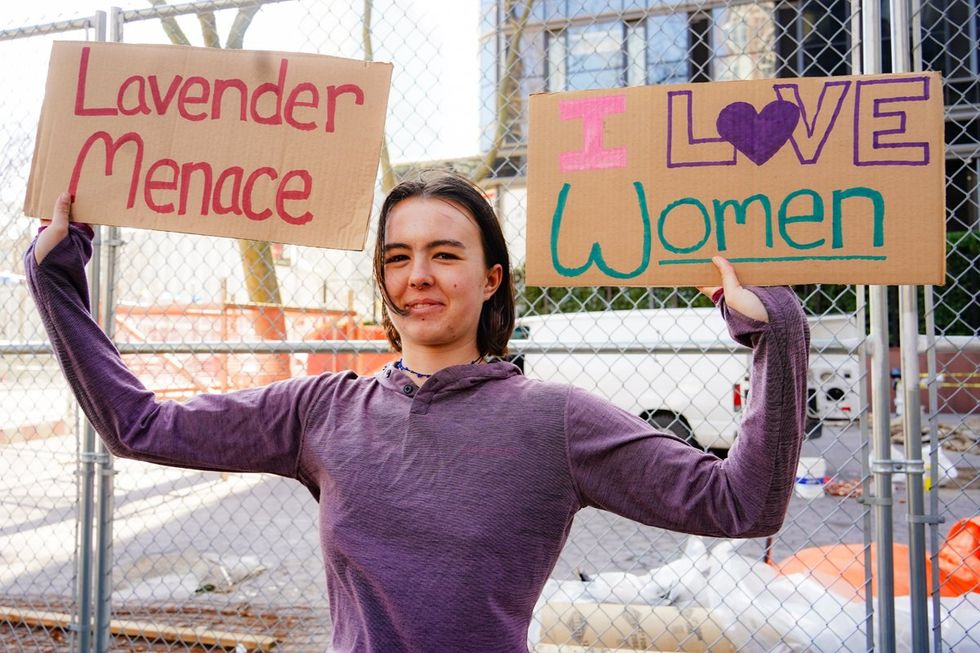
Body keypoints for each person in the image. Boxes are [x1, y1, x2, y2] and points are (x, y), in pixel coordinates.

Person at [26, 170, 809, 652]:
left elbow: (742, 500)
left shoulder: (556, 421)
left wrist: (774, 327)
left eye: (445, 253)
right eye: (398, 257)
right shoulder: (321, 410)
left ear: (493, 277)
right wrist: (58, 277)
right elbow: (139, 425)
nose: (418, 276)